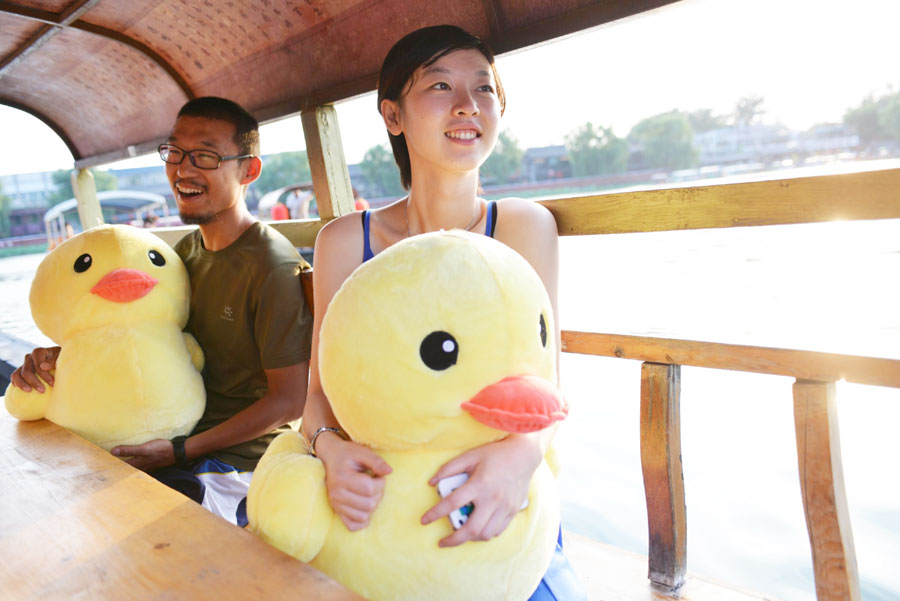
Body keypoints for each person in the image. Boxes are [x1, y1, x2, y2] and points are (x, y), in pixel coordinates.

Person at [302, 25, 585, 599]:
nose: (467, 106)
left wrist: (521, 458)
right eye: (439, 86)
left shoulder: (523, 227)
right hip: (384, 502)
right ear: (393, 116)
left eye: (484, 90)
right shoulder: (343, 241)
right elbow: (317, 395)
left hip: (503, 491)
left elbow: (545, 387)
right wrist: (331, 451)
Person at [10, 97, 313, 526]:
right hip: (171, 447)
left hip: (236, 466)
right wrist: (63, 358)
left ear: (248, 170)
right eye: (175, 153)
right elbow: (142, 333)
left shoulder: (271, 266)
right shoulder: (183, 253)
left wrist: (179, 452)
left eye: (205, 156)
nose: (183, 170)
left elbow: (289, 399)